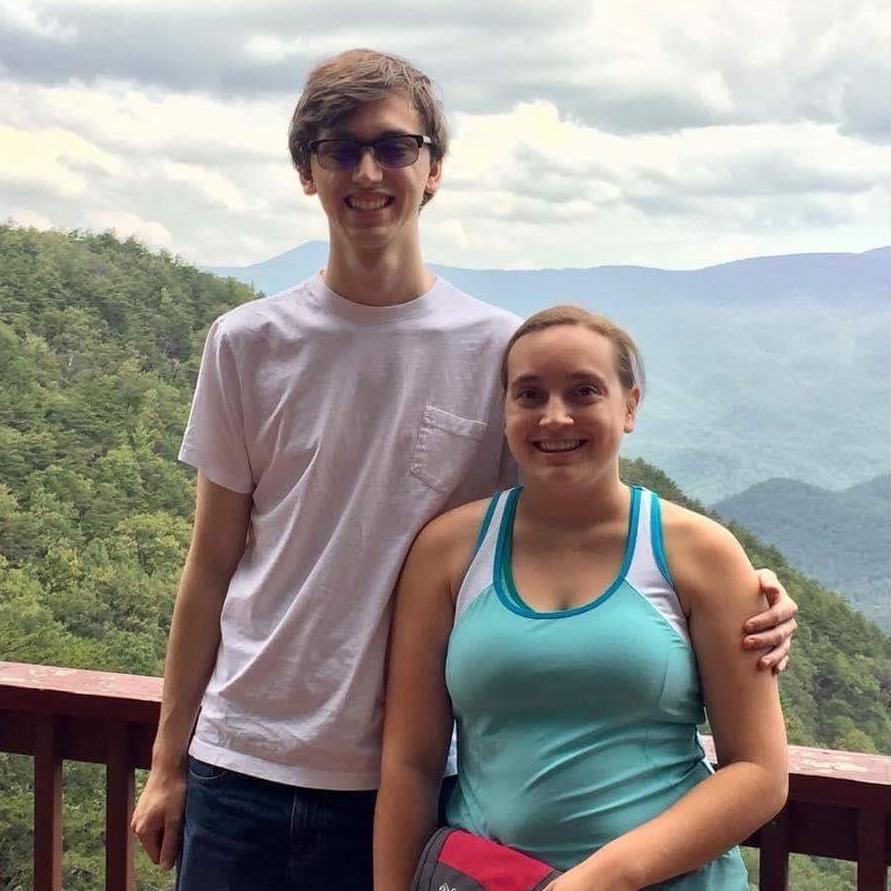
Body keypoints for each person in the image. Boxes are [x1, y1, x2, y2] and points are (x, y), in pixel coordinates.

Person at [131, 50, 797, 890]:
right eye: (338, 149)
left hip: (406, 774)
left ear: (433, 168)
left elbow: (567, 515)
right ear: (307, 171)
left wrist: (740, 582)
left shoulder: (494, 352)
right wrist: (169, 760)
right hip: (241, 759)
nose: (367, 171)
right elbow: (211, 564)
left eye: (393, 146)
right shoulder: (247, 342)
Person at [374, 306, 788, 890]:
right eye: (530, 395)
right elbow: (411, 764)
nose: (556, 417)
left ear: (630, 407)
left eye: (584, 391)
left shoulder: (700, 552)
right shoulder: (449, 551)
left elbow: (759, 770)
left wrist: (605, 878)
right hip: (493, 879)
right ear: (506, 411)